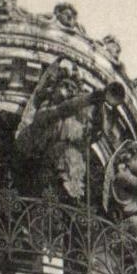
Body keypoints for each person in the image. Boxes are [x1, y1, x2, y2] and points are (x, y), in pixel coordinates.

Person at [15, 61, 98, 203]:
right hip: (49, 166)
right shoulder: (45, 112)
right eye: (65, 85)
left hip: (72, 170)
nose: (70, 91)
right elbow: (62, 110)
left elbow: (92, 135)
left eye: (73, 88)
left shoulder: (75, 123)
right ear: (52, 90)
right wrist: (89, 99)